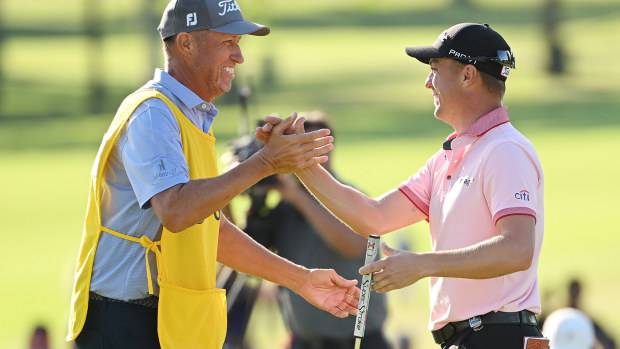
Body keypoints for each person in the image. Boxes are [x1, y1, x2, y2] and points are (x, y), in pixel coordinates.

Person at [65, 1, 360, 348]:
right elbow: (176, 211)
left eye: (239, 43)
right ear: (186, 44)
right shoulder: (154, 113)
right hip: (123, 323)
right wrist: (265, 162)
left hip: (159, 321)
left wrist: (301, 280)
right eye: (227, 42)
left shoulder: (189, 116)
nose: (239, 56)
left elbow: (211, 232)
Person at [257, 22, 546, 349]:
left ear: (468, 75)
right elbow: (373, 215)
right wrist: (298, 162)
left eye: (435, 70)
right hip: (471, 339)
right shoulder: (448, 157)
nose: (427, 82)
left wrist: (421, 264)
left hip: (498, 336)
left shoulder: (505, 149)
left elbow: (517, 249)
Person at [239, 112, 391, 349]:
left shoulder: (351, 198)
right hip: (304, 342)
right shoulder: (284, 206)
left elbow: (354, 246)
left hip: (359, 340)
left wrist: (296, 196)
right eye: (303, 145)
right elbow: (243, 255)